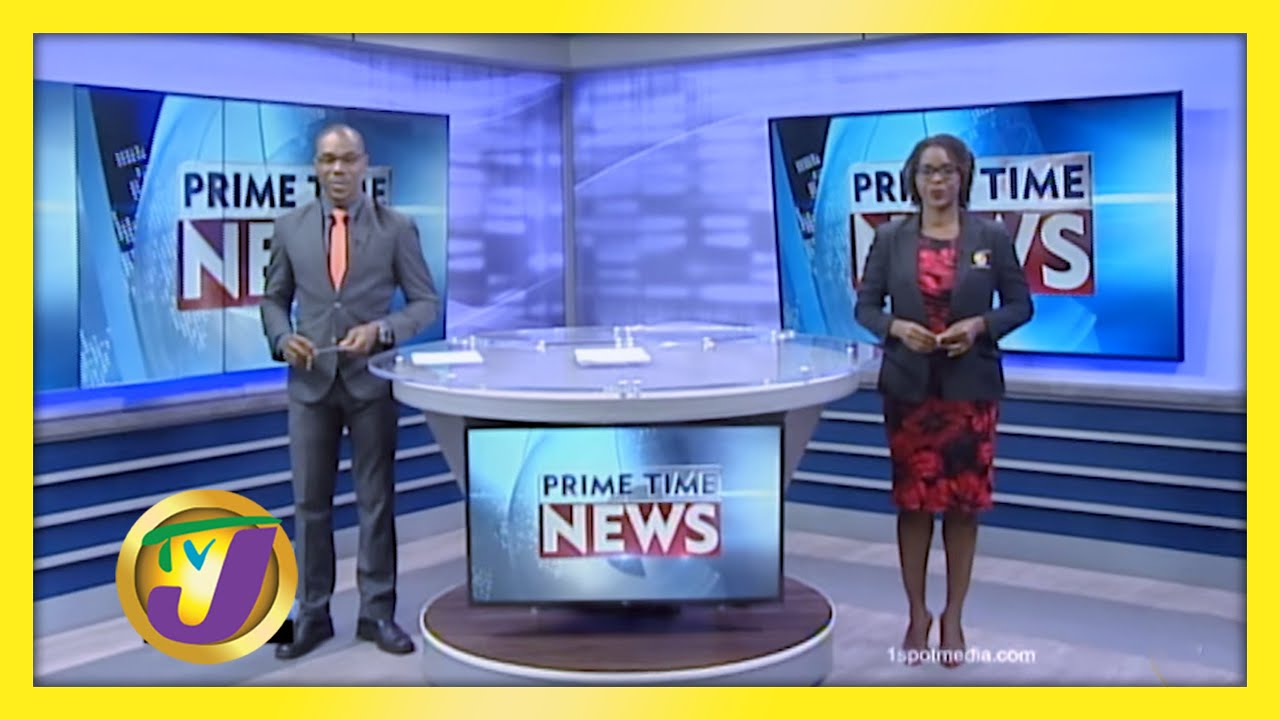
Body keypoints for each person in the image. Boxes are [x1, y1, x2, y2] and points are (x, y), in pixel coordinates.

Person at [261, 123, 439, 659]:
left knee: (375, 503)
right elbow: (273, 300)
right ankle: (311, 614)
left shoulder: (396, 228)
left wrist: (382, 330)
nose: (337, 169)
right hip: (309, 386)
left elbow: (424, 304)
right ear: (316, 167)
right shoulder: (289, 228)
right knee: (309, 505)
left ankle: (376, 613)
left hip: (369, 387)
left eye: (347, 159)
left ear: (364, 164)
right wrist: (282, 338)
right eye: (327, 160)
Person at [854, 134, 1032, 668]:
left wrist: (980, 326)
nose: (938, 180)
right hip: (909, 393)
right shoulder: (890, 239)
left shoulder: (991, 236)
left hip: (969, 395)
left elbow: (1020, 305)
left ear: (963, 177)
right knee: (913, 507)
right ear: (913, 178)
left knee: (962, 508)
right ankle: (917, 613)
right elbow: (866, 308)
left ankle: (953, 616)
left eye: (948, 171)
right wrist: (896, 328)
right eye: (928, 171)